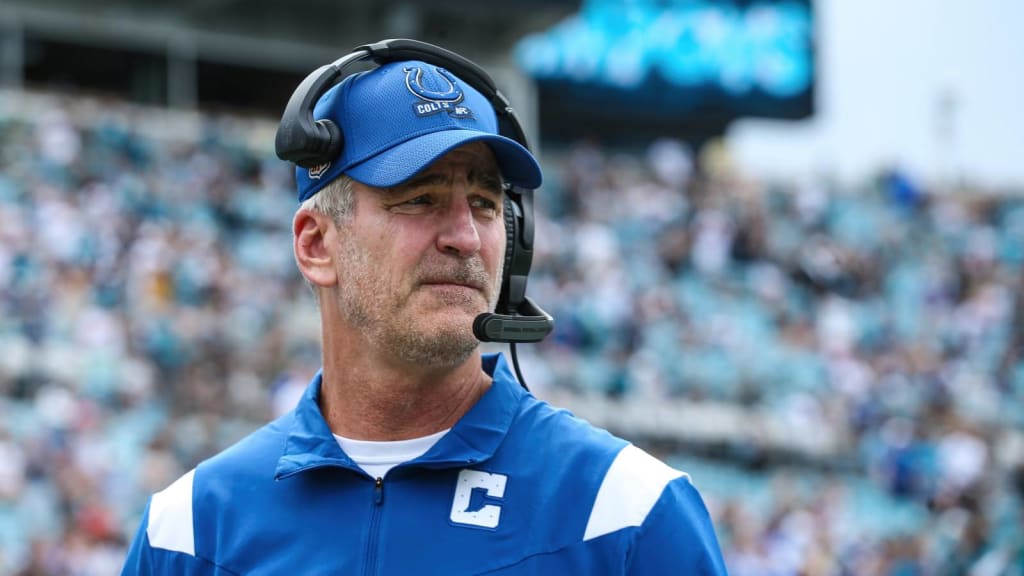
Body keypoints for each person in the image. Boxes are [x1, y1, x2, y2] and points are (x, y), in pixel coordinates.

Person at [121, 39, 727, 575]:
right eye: (420, 198)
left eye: (485, 204)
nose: (465, 237)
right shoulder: (188, 530)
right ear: (316, 245)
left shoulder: (627, 512)